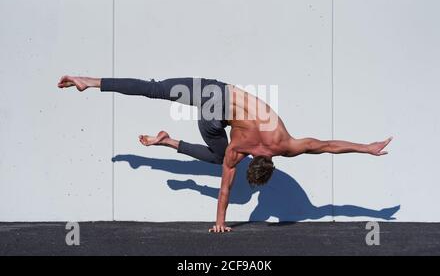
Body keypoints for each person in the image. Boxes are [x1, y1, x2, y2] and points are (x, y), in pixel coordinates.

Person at [58, 75, 392, 233]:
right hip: (211, 116)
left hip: (215, 90)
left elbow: (327, 145)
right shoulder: (237, 150)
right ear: (261, 163)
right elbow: (226, 189)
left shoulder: (282, 143)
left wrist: (367, 147)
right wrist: (219, 223)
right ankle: (168, 142)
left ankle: (89, 81)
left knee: (155, 89)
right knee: (217, 159)